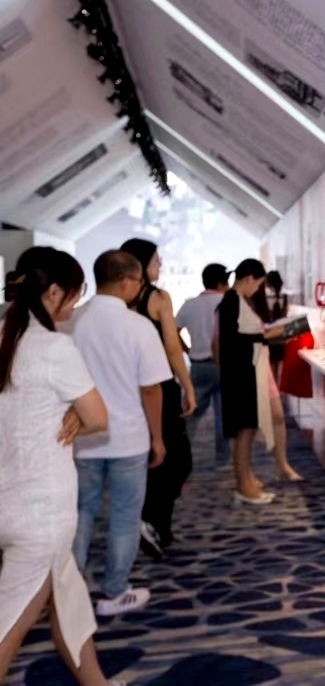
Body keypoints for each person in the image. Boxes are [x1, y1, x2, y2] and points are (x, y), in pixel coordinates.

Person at [0, 249, 127, 686]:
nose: (76, 301)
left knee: (69, 605)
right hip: (43, 513)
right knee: (8, 632)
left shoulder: (4, 337)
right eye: (75, 292)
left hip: (9, 501)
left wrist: (68, 412)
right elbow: (99, 418)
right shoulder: (54, 347)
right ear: (54, 292)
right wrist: (74, 413)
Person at [73, 251, 171, 617]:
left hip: (81, 438)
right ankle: (114, 591)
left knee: (80, 513)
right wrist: (157, 438)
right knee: (125, 516)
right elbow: (151, 388)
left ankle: (69, 590)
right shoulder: (138, 326)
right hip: (128, 439)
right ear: (127, 282)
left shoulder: (73, 322)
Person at [119, 240, 195, 560]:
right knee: (175, 460)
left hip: (127, 387)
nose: (160, 265)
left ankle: (155, 524)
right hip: (160, 386)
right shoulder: (158, 298)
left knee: (149, 457)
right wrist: (188, 386)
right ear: (141, 264)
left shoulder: (119, 301)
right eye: (156, 260)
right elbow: (172, 347)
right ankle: (152, 520)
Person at [217, 259, 282, 504]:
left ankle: (246, 479)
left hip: (244, 374)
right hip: (241, 377)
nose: (257, 290)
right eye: (257, 284)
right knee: (244, 432)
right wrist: (267, 336)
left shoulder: (236, 301)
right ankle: (243, 485)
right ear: (248, 279)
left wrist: (263, 336)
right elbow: (235, 341)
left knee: (247, 431)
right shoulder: (232, 301)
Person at [175, 263, 230, 468]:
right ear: (221, 283)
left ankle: (182, 455)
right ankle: (223, 460)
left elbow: (174, 332)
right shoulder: (227, 302)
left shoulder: (190, 304)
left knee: (192, 412)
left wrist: (187, 350)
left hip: (199, 365)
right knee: (223, 415)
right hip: (224, 365)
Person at [249, 277, 303, 483]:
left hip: (263, 364)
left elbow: (263, 334)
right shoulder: (238, 304)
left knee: (277, 417)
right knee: (249, 426)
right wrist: (288, 330)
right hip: (251, 367)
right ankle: (246, 474)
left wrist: (284, 331)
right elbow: (257, 336)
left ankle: (282, 465)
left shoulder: (257, 304)